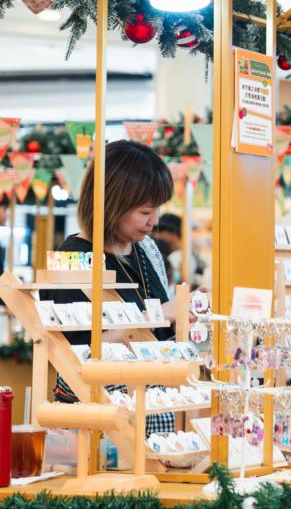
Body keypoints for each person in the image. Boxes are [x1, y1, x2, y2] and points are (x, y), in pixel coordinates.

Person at [40, 140, 179, 435]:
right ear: (112, 204)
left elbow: (161, 336)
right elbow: (78, 357)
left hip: (156, 411)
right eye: (145, 211)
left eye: (157, 209)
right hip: (100, 418)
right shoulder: (73, 260)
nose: (154, 221)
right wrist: (158, 315)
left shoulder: (147, 249)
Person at [151, 213, 206, 288]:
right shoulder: (190, 254)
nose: (155, 235)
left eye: (159, 231)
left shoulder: (179, 257)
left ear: (173, 232)